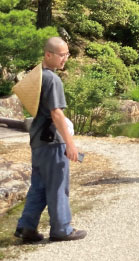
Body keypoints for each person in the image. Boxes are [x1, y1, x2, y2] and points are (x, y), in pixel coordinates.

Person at [14, 37, 86, 243]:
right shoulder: (53, 80)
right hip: (52, 141)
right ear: (48, 55)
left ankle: (26, 227)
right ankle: (62, 229)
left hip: (38, 142)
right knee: (57, 185)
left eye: (67, 54)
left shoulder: (39, 78)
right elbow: (56, 113)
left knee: (39, 186)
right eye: (62, 55)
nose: (66, 58)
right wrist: (70, 144)